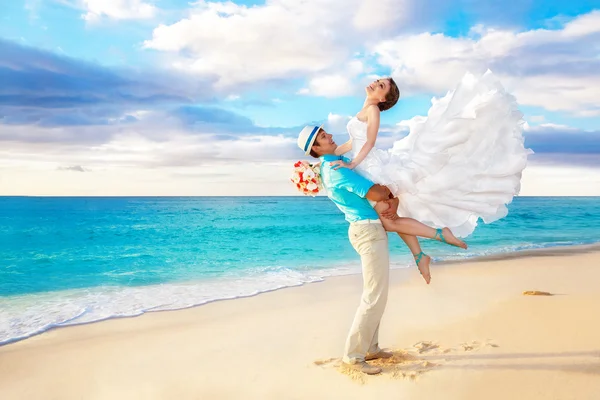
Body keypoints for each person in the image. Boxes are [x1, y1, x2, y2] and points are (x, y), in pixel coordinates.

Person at [329, 70, 532, 282]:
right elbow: (354, 142)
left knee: (389, 222)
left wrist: (351, 163)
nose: (375, 83)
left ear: (382, 99)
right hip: (369, 166)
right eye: (378, 81)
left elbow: (369, 142)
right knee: (393, 218)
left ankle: (439, 235)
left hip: (374, 168)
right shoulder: (364, 110)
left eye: (381, 86)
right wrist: (326, 156)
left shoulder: (373, 110)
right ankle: (420, 256)